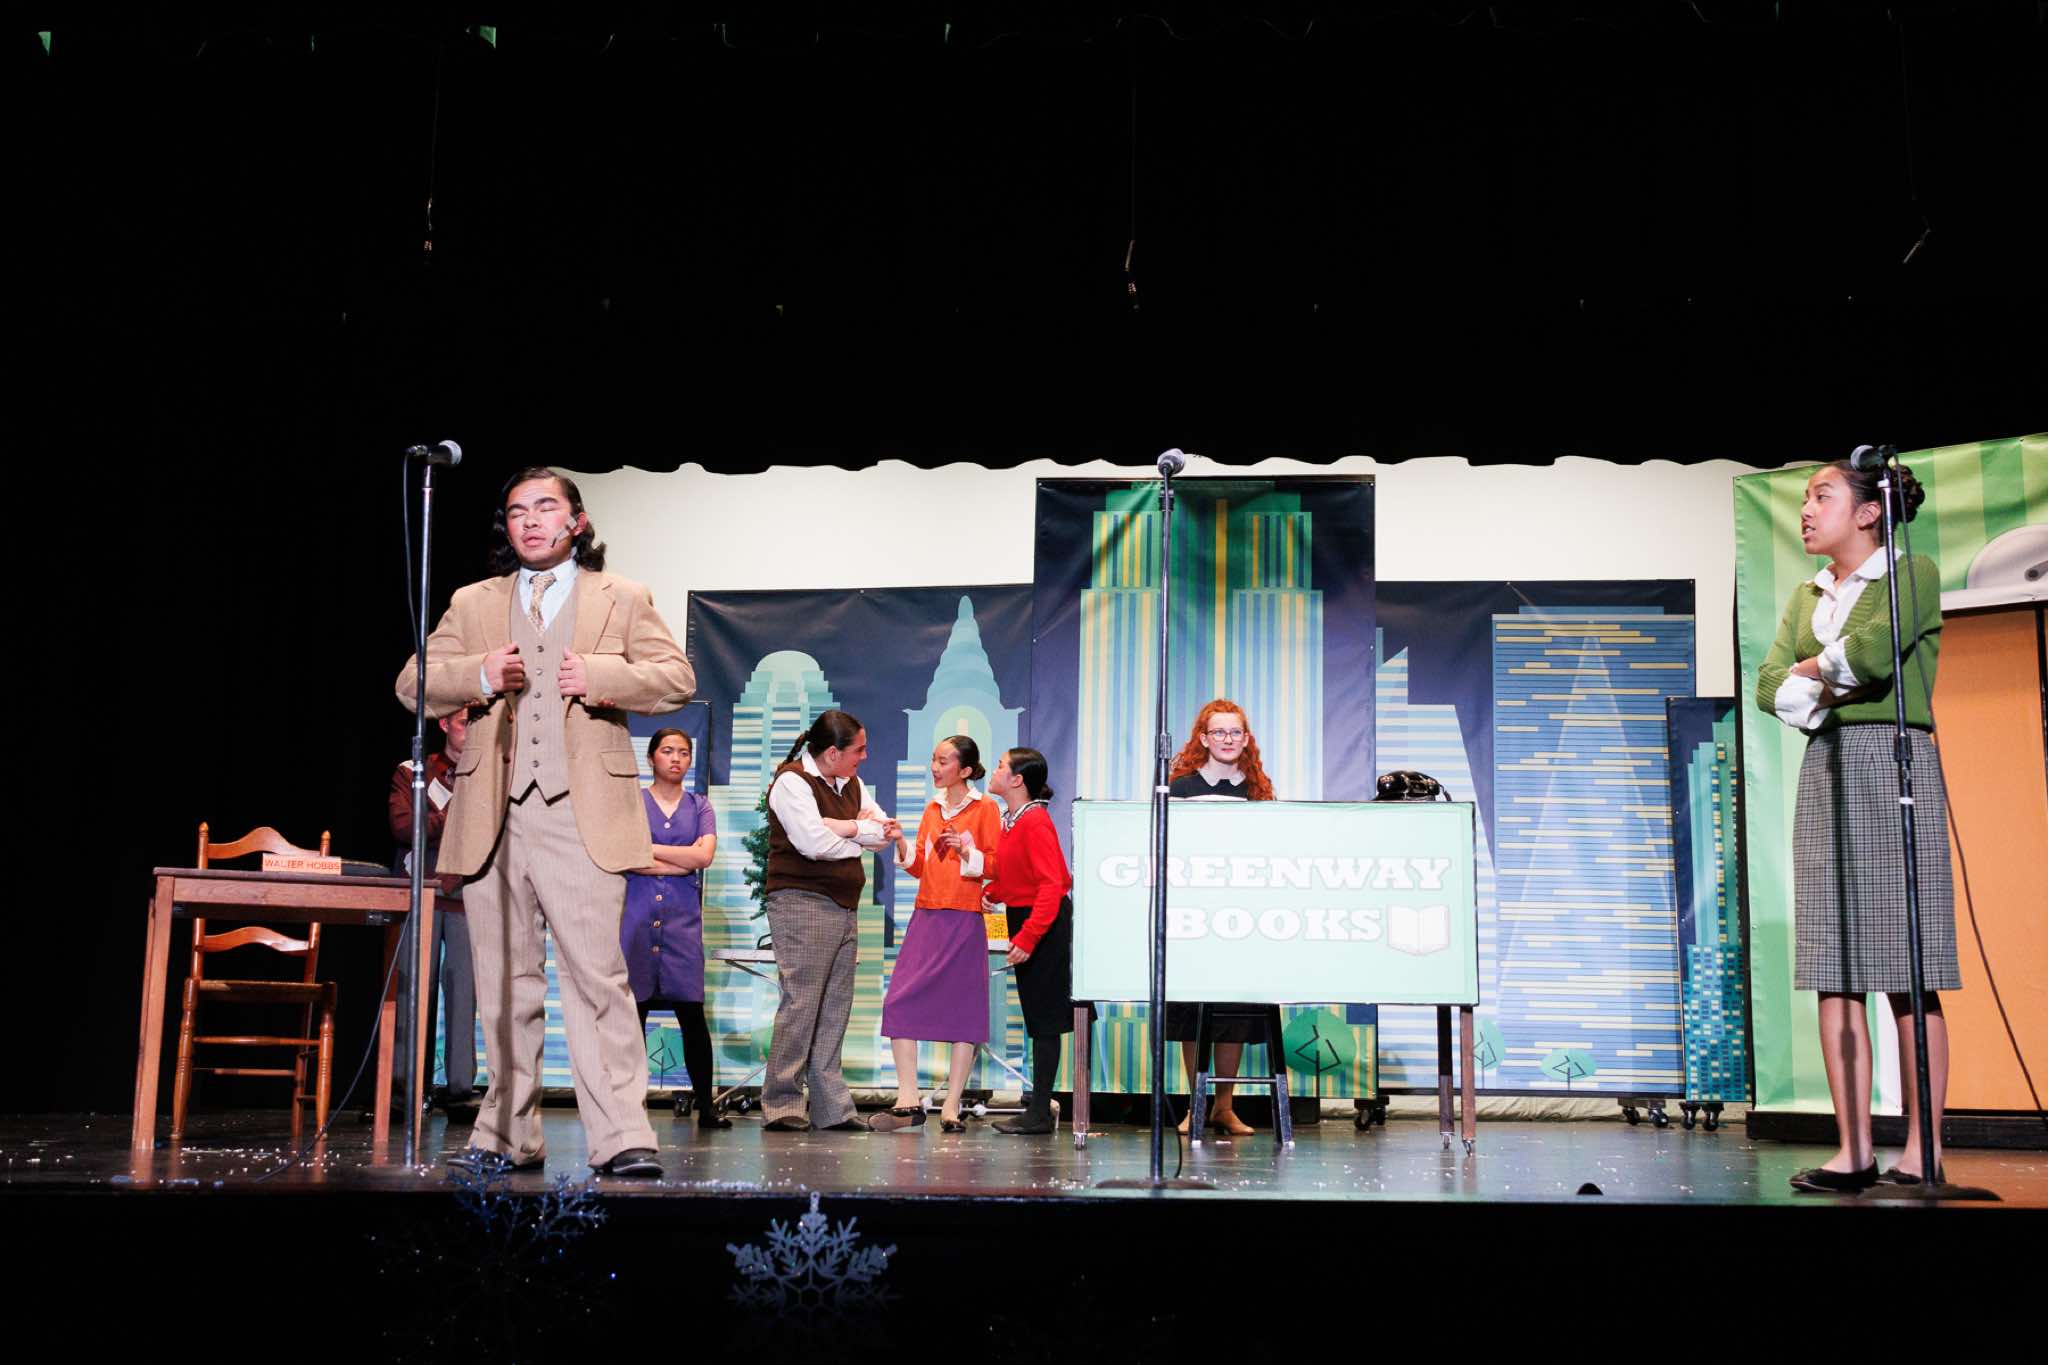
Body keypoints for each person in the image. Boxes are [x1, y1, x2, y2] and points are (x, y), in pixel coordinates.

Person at [395, 466, 695, 1178]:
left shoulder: (622, 596)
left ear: (576, 521)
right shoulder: (474, 601)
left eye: (545, 507)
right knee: (504, 982)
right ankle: (506, 1133)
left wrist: (602, 675)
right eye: (517, 511)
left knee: (597, 978)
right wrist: (477, 674)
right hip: (490, 814)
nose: (530, 520)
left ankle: (621, 1135)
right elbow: (412, 682)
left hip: (580, 812)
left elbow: (676, 678)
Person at [1756, 456, 1957, 1193]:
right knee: (1833, 966)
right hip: (1828, 766)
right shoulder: (1807, 594)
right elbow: (1768, 686)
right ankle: (1853, 1150)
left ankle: (1923, 1150)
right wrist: (1825, 676)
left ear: (1869, 511)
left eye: (1823, 495)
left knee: (1908, 966)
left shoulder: (1910, 573)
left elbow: (1873, 655)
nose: (1806, 509)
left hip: (1893, 760)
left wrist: (1812, 673)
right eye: (1805, 497)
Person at [760, 710, 901, 1132]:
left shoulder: (851, 783)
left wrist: (843, 827)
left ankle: (830, 1109)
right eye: (859, 749)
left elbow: (884, 831)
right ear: (834, 753)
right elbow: (812, 843)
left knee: (835, 1006)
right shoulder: (792, 782)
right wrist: (857, 834)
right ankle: (782, 1103)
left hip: (843, 904)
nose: (865, 756)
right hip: (803, 901)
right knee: (802, 1002)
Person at [874, 736, 1006, 1134]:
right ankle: (908, 1098)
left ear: (964, 770)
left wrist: (965, 852)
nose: (935, 767)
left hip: (965, 918)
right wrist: (899, 840)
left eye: (943, 761)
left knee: (965, 1012)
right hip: (927, 914)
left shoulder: (986, 808)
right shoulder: (932, 808)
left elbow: (997, 865)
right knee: (899, 1001)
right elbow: (920, 865)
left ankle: (951, 1105)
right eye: (934, 759)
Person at [1164, 698, 1277, 1136]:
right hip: (1193, 916)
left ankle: (1224, 1107)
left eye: (1235, 732)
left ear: (1245, 739)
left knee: (1236, 1013)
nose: (1227, 739)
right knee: (1193, 1011)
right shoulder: (1181, 788)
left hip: (1243, 917)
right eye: (1219, 732)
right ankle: (1196, 1105)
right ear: (1204, 738)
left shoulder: (1258, 790)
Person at [622, 728, 727, 1130]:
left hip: (683, 923)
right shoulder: (633, 802)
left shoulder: (700, 806)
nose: (676, 758)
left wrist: (649, 850)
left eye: (683, 752)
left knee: (692, 1015)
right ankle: (626, 1107)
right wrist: (682, 860)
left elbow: (704, 856)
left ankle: (707, 1106)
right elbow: (624, 855)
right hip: (636, 918)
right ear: (651, 757)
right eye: (667, 751)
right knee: (633, 1015)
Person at [981, 747, 1081, 1136]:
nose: (994, 771)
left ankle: (1039, 1111)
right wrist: (996, 890)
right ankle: (1038, 1108)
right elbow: (1020, 874)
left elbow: (1052, 885)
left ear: (1017, 780)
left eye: (1000, 766)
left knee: (1045, 1020)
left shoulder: (1034, 820)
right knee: (1038, 1017)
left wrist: (1028, 936)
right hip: (1027, 915)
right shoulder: (1013, 819)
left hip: (1044, 922)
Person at [387, 707, 479, 1116]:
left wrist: (437, 821)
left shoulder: (485, 776)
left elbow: (490, 832)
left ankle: (460, 1089)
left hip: (466, 894)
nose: (470, 731)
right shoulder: (414, 772)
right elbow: (404, 827)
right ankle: (402, 1089)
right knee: (412, 989)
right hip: (419, 892)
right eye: (463, 723)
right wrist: (451, 817)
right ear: (444, 725)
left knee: (464, 991)